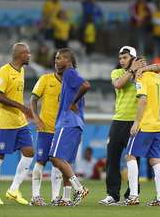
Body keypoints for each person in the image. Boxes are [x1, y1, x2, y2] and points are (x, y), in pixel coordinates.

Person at [99, 46, 160, 206]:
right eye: (120, 58)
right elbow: (118, 85)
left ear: (134, 59)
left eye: (125, 58)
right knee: (112, 157)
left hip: (137, 120)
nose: (121, 61)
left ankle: (132, 195)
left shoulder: (143, 75)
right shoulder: (118, 73)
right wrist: (131, 71)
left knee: (134, 157)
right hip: (119, 120)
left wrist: (143, 68)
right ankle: (112, 195)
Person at [0, 42, 34, 205]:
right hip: (4, 122)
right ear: (21, 54)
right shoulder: (4, 71)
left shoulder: (22, 70)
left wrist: (23, 111)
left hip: (19, 122)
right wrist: (21, 106)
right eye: (27, 53)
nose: (29, 56)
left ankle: (14, 189)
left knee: (29, 152)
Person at [49, 48, 90, 206]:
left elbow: (86, 85)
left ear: (68, 60)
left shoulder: (69, 73)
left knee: (55, 157)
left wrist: (73, 102)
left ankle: (79, 188)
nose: (56, 61)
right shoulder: (71, 76)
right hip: (76, 123)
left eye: (59, 58)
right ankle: (66, 198)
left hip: (67, 122)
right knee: (65, 162)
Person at [123, 63, 160, 206]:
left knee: (130, 156)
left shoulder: (141, 78)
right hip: (157, 124)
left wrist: (136, 122)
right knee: (155, 160)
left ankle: (133, 196)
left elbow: (142, 100)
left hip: (145, 124)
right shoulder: (158, 78)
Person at [30, 66, 63, 206]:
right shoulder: (45, 79)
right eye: (56, 59)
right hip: (45, 129)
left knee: (58, 164)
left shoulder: (70, 82)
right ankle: (35, 197)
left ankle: (55, 197)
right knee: (40, 161)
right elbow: (33, 99)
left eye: (60, 59)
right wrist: (36, 118)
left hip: (61, 130)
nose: (57, 62)